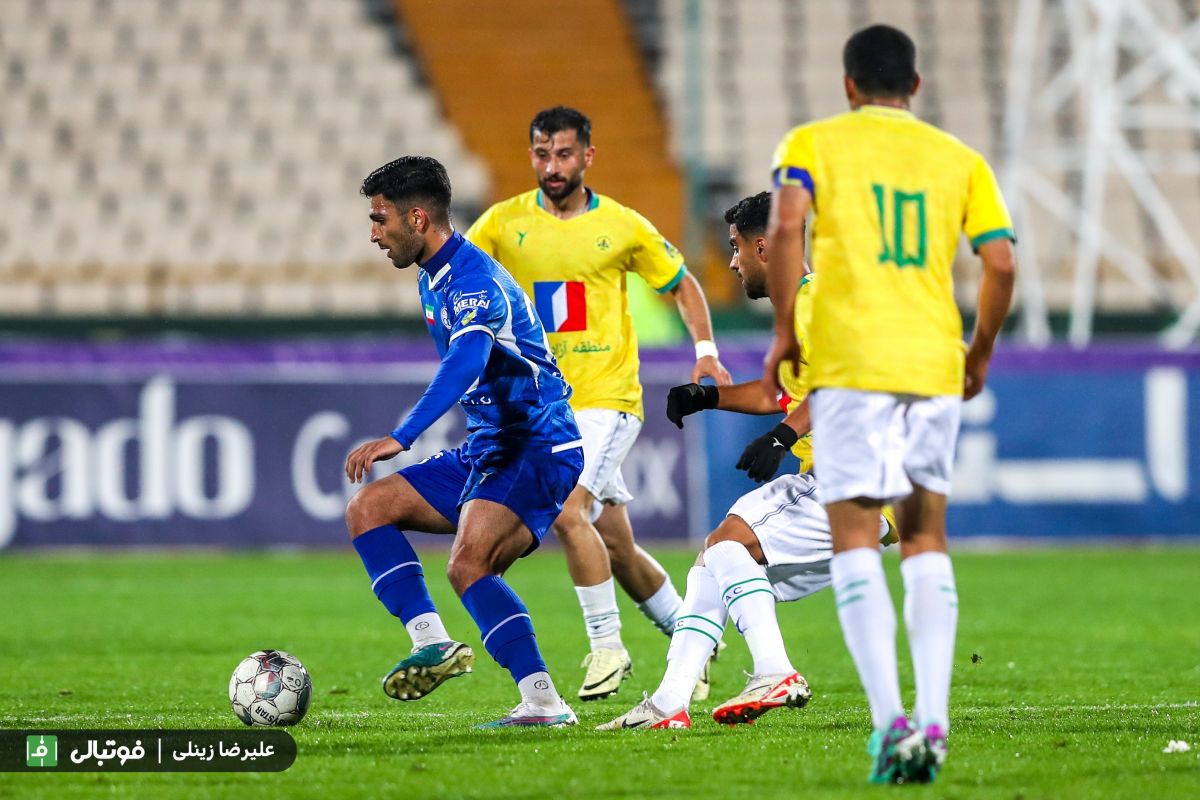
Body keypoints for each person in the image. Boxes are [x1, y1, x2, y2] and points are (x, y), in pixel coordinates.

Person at [762, 26, 1017, 784]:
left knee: (852, 535)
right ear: (917, 85)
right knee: (925, 535)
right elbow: (1000, 260)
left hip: (851, 361)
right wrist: (979, 352)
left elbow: (783, 226)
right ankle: (935, 722)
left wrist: (783, 332)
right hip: (934, 362)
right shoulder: (961, 160)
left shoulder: (812, 142)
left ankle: (890, 725)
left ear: (848, 85)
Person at [598, 192, 896, 730]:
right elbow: (780, 391)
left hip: (850, 477)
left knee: (729, 540)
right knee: (713, 562)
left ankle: (775, 671)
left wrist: (783, 436)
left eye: (735, 248)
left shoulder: (813, 301)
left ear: (763, 246)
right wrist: (708, 398)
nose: (732, 261)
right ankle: (668, 703)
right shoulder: (803, 305)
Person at [466, 106, 732, 702]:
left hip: (607, 399)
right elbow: (455, 273)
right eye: (541, 153)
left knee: (566, 510)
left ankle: (607, 646)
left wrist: (706, 350)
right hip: (544, 409)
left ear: (589, 156)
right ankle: (697, 637)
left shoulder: (622, 226)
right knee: (615, 545)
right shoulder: (502, 225)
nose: (551, 166)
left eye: (563, 154)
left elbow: (682, 282)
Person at [344, 155, 586, 728]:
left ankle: (545, 703)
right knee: (369, 508)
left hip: (536, 440)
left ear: (419, 218)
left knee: (468, 565)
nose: (374, 233)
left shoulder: (473, 279)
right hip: (492, 444)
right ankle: (432, 643)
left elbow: (467, 359)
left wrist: (402, 436)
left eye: (380, 220)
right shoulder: (434, 278)